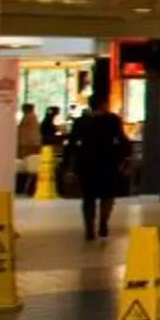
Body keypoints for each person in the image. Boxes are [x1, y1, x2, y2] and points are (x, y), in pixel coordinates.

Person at [63, 96, 132, 243]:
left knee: (88, 197)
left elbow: (72, 145)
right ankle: (103, 223)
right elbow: (121, 139)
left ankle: (89, 228)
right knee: (107, 195)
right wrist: (125, 157)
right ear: (103, 104)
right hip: (108, 162)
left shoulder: (81, 122)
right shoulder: (113, 120)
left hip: (86, 162)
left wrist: (69, 167)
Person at [14, 105, 42, 198]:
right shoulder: (32, 117)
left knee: (27, 166)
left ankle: (24, 188)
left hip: (28, 144)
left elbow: (21, 129)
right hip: (31, 143)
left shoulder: (29, 117)